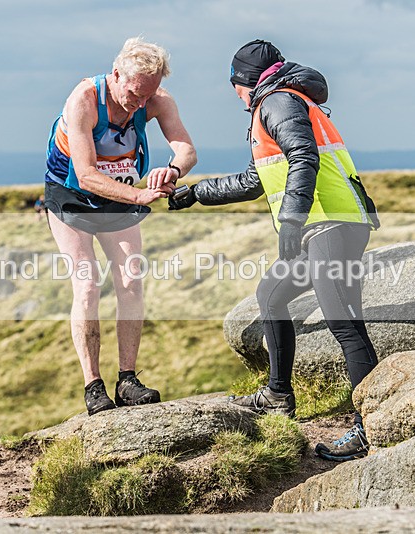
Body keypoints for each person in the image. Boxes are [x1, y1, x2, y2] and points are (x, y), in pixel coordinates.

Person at [169, 40, 378, 462]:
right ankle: (278, 395)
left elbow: (303, 157)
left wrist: (292, 221)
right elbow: (254, 180)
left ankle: (370, 426)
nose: (235, 96)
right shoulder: (280, 102)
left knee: (344, 325)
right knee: (271, 296)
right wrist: (196, 195)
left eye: (234, 85)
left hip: (329, 224)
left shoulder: (277, 102)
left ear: (245, 82)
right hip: (326, 224)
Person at [44, 37, 197, 416]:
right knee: (88, 284)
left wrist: (172, 170)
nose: (140, 104)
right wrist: (141, 197)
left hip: (121, 194)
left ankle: (127, 380)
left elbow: (187, 150)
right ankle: (93, 385)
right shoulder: (83, 100)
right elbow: (86, 174)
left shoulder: (157, 99)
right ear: (116, 75)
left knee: (130, 281)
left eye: (148, 95)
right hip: (72, 196)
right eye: (134, 94)